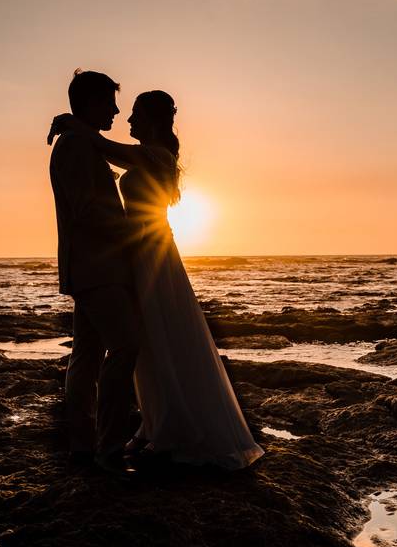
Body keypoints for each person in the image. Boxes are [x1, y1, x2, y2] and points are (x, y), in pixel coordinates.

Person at [51, 91, 264, 470]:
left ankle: (165, 426)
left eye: (134, 115)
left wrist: (72, 123)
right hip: (136, 254)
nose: (126, 120)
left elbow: (103, 146)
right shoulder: (148, 155)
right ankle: (151, 424)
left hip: (151, 254)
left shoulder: (157, 155)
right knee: (147, 342)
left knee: (160, 337)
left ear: (151, 119)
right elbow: (101, 152)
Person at [48, 69, 147, 476]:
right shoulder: (75, 147)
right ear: (90, 103)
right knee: (124, 346)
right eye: (109, 102)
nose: (116, 110)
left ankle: (83, 446)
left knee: (87, 354)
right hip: (97, 266)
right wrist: (134, 233)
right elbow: (87, 211)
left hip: (93, 266)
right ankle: (107, 447)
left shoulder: (81, 142)